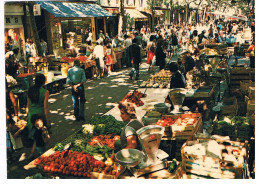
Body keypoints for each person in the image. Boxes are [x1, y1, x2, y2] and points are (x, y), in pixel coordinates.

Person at [27, 74, 50, 139]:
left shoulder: (30, 90)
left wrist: (27, 115)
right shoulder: (45, 92)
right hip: (40, 114)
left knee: (34, 134)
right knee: (42, 136)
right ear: (43, 81)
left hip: (31, 113)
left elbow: (27, 104)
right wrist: (47, 120)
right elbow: (46, 107)